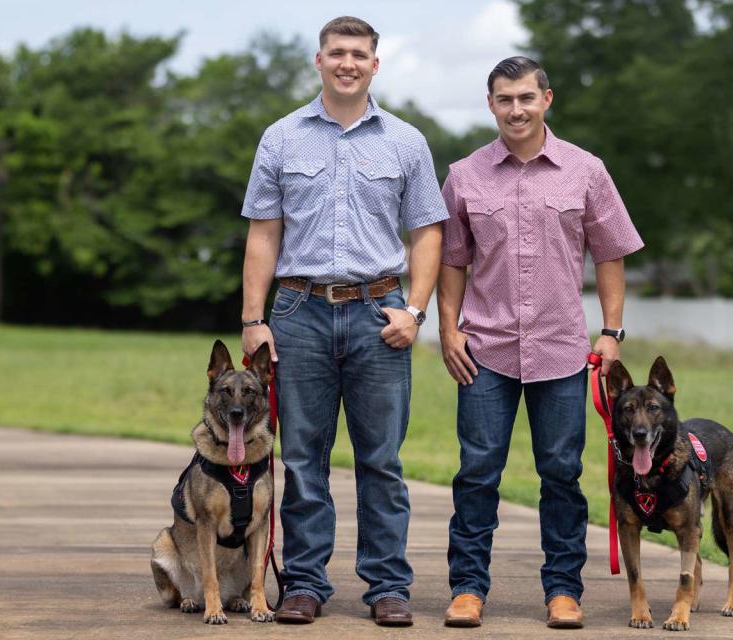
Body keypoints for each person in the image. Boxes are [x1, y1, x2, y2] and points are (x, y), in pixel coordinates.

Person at [239, 16, 448, 627]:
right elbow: (263, 233)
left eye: (359, 54)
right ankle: (305, 583)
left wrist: (416, 311)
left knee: (381, 460)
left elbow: (428, 232)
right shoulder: (281, 137)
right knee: (303, 457)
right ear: (319, 61)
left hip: (378, 313)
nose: (348, 63)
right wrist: (253, 319)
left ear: (375, 64)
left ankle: (387, 586)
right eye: (337, 53)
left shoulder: (405, 141)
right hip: (298, 312)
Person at [437, 56, 644, 629]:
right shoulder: (465, 175)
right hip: (486, 349)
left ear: (546, 99)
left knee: (561, 472)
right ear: (491, 105)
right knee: (477, 471)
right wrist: (448, 327)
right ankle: (468, 588)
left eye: (526, 97)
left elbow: (610, 253)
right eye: (504, 99)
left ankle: (562, 591)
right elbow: (453, 260)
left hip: (560, 349)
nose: (516, 109)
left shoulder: (586, 170)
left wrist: (611, 331)